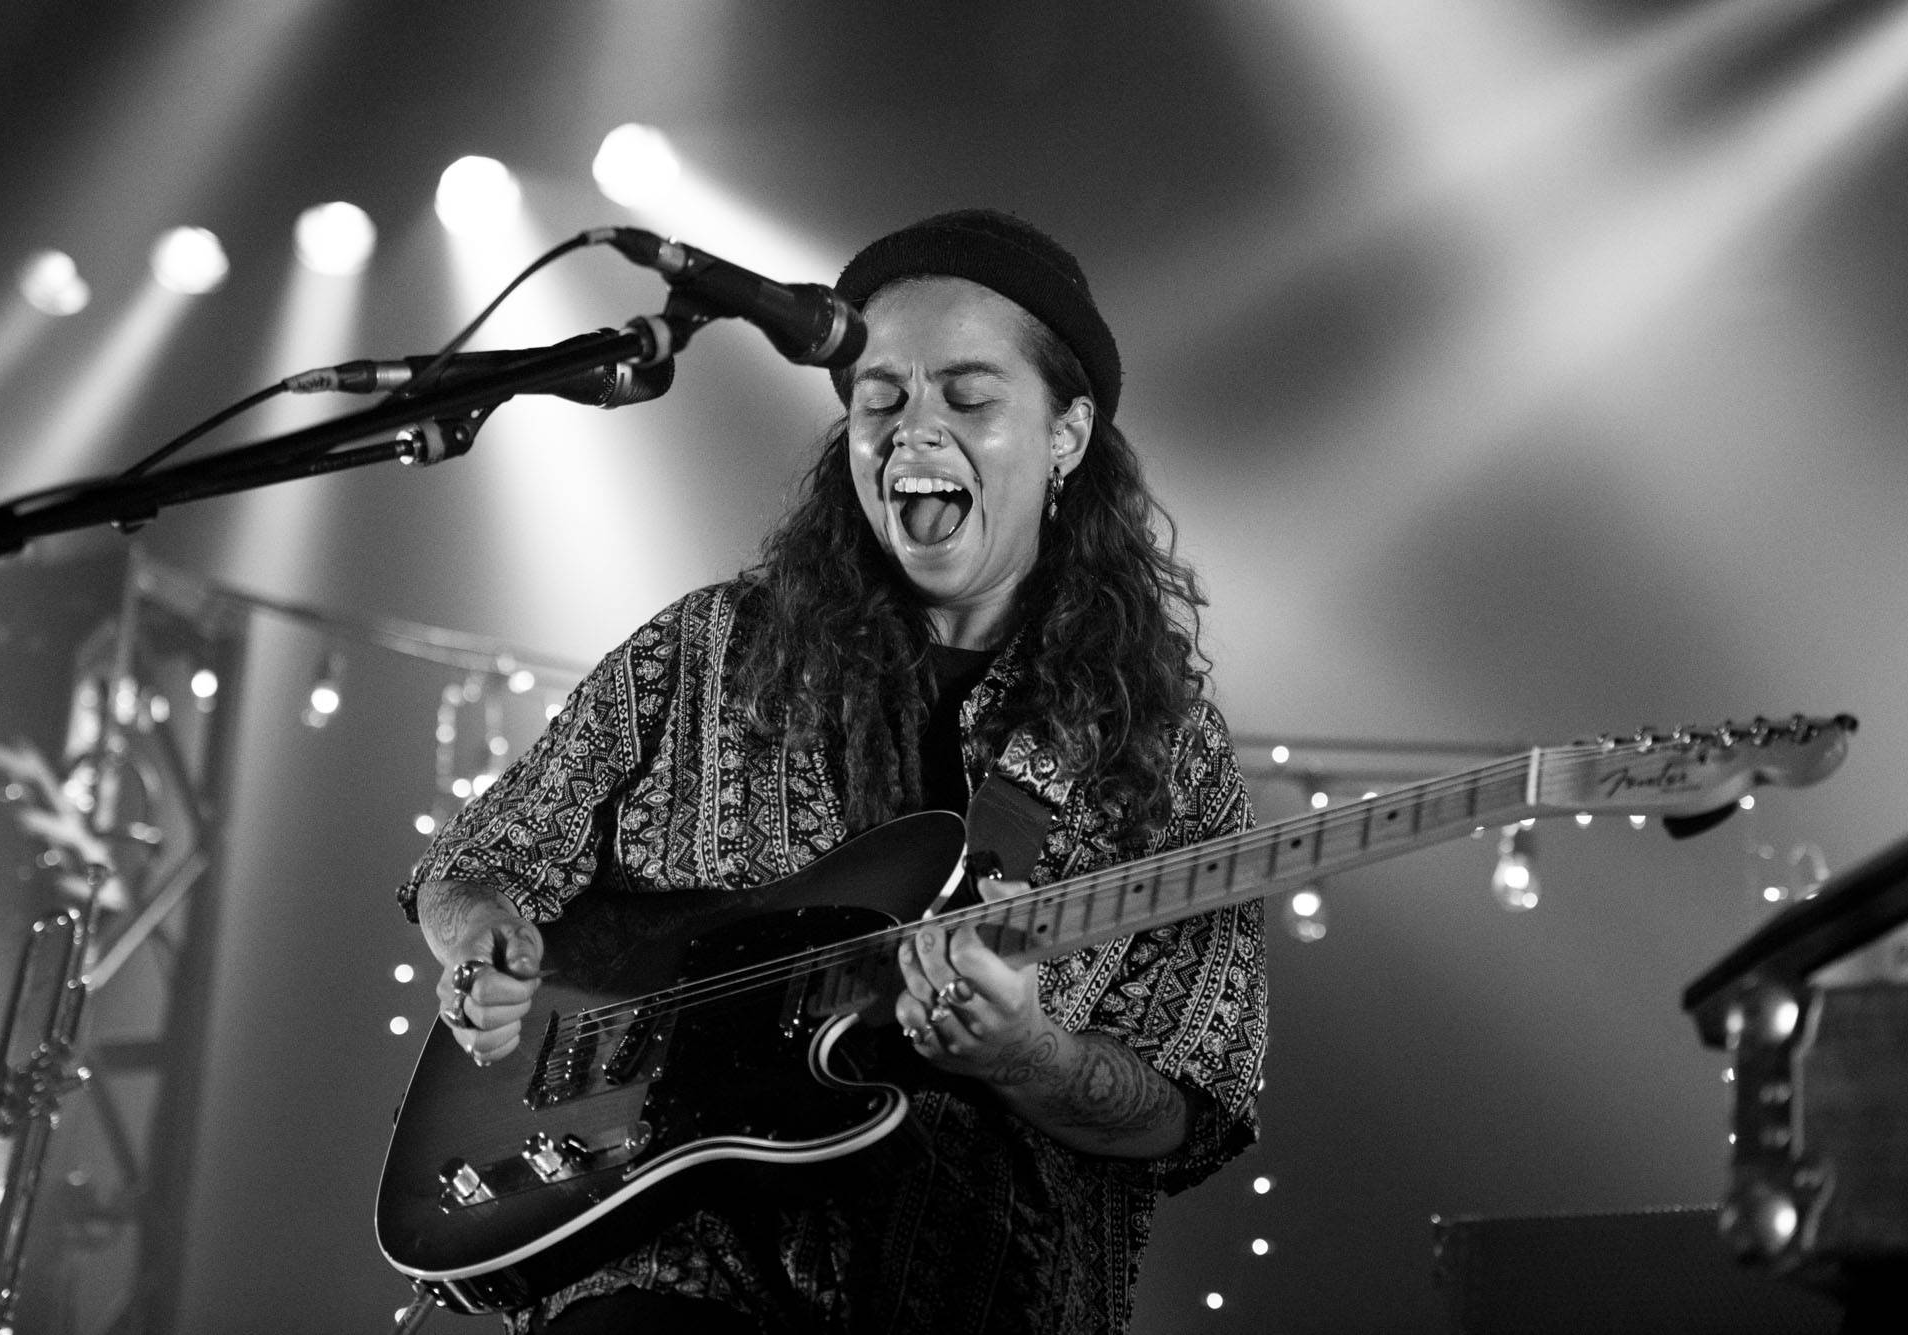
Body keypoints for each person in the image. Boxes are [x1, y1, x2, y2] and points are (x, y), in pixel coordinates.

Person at [398, 209, 1268, 1334]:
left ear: (1066, 433)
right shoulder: (706, 650)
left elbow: (1190, 1106)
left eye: (968, 397)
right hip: (662, 1268)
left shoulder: (1157, 743)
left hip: (974, 1286)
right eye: (880, 399)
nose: (914, 432)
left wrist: (1030, 1055)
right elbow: (481, 861)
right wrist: (481, 944)